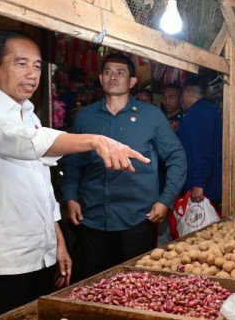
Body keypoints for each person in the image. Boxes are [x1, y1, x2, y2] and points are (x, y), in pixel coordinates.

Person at [0, 31, 150, 320]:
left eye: (37, 66)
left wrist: (57, 242)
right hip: (3, 261)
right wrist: (95, 140)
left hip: (41, 255)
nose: (32, 74)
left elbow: (43, 189)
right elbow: (25, 142)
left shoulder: (31, 116)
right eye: (21, 64)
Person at [62, 52, 186, 281]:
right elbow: (73, 162)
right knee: (92, 285)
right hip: (93, 218)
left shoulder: (151, 116)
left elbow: (177, 157)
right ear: (100, 78)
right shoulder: (85, 117)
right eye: (108, 71)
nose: (113, 76)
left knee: (136, 286)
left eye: (120, 72)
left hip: (138, 219)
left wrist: (165, 200)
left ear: (132, 82)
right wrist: (70, 197)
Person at [178, 76, 222, 210]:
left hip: (205, 186)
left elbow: (201, 150)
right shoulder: (208, 109)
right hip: (209, 182)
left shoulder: (198, 113)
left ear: (186, 93)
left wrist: (198, 184)